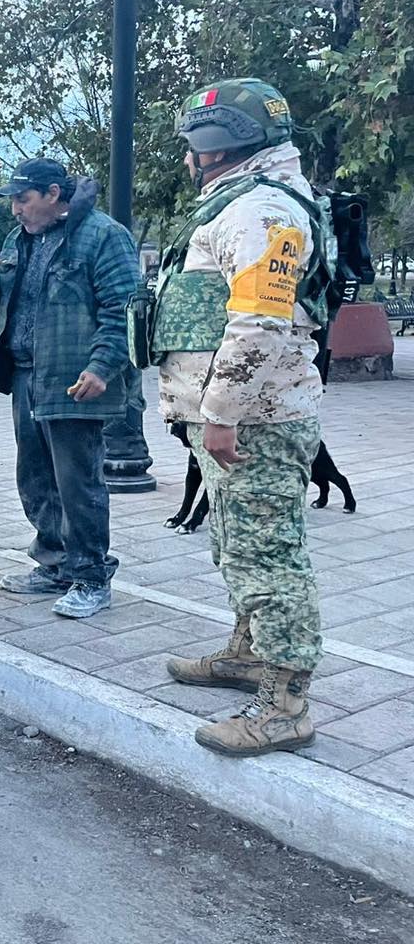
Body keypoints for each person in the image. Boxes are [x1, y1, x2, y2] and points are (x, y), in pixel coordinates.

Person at [154, 79, 334, 756]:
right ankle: (247, 654)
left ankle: (285, 706)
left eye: (191, 147)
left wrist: (221, 412)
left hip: (253, 419)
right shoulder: (241, 203)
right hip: (235, 416)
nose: (186, 159)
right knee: (235, 544)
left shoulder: (262, 211)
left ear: (217, 144)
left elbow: (260, 323)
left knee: (269, 557)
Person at [0, 159, 140, 618]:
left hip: (75, 380)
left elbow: (123, 308)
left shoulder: (103, 235)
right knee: (35, 477)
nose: (16, 211)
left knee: (77, 483)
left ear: (52, 193)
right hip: (26, 375)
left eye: (22, 200)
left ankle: (90, 576)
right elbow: (5, 301)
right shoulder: (18, 240)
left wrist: (102, 366)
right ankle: (54, 563)